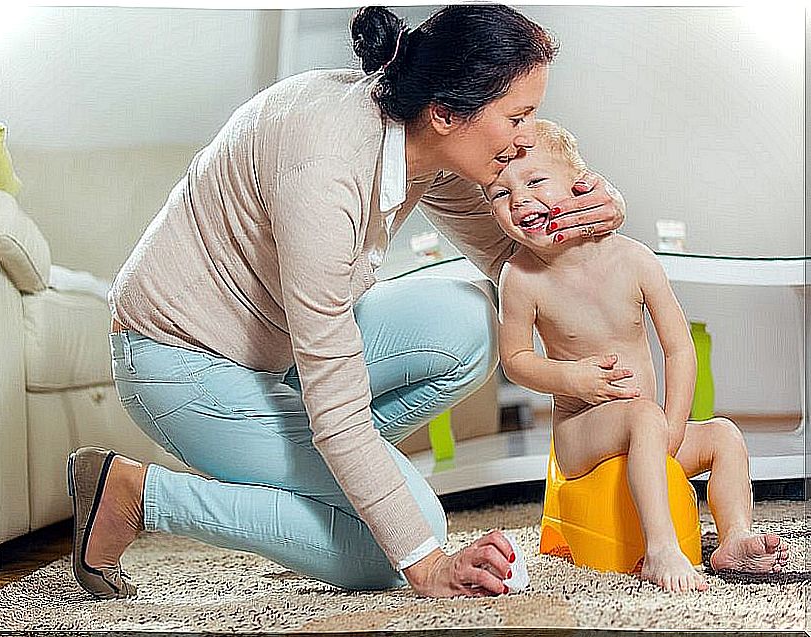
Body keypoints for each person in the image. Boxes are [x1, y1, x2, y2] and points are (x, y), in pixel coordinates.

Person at [67, 5, 626, 600]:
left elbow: (518, 261)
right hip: (180, 366)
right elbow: (335, 403)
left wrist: (593, 216)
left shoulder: (420, 142)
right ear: (445, 113)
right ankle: (135, 494)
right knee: (399, 544)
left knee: (471, 325)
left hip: (274, 355)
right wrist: (425, 560)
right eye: (519, 117)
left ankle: (326, 490)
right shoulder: (325, 166)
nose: (529, 137)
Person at [489, 119, 790, 593]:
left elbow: (679, 347)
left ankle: (734, 537)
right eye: (500, 195)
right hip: (581, 436)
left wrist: (674, 423)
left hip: (649, 425)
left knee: (724, 436)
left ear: (582, 184)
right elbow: (516, 360)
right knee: (643, 418)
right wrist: (575, 378)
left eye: (534, 181)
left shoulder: (633, 259)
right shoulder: (521, 276)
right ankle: (661, 548)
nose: (519, 199)